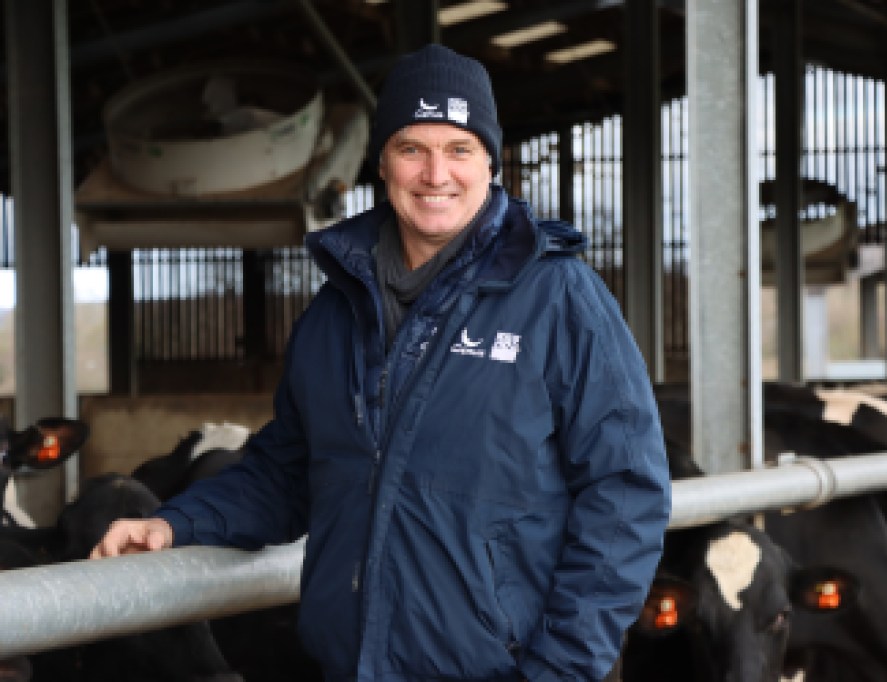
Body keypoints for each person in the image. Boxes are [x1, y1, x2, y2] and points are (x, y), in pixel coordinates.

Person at [91, 43, 671, 682]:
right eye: (411, 148)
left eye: (458, 149)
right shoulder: (334, 312)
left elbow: (625, 494)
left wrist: (559, 669)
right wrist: (176, 525)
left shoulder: (560, 299)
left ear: (490, 162)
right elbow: (288, 472)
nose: (436, 175)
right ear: (383, 163)